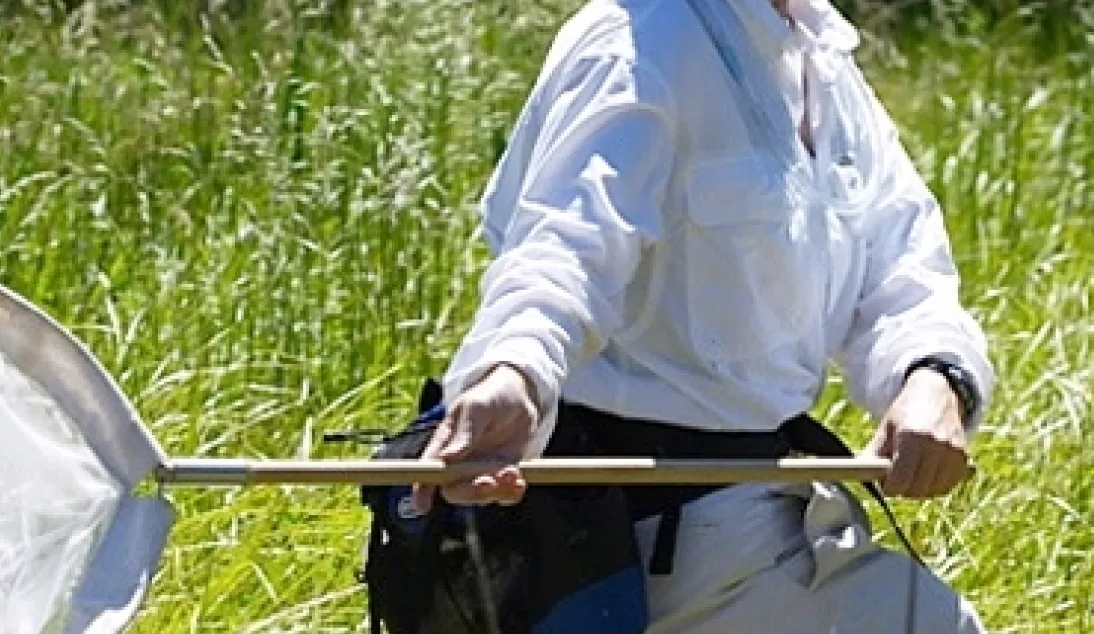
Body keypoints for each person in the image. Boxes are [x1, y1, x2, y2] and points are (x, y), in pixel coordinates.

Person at [411, 0, 995, 631]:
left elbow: (901, 262)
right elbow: (564, 246)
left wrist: (936, 375)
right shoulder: (637, 43)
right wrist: (514, 372)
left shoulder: (818, 51)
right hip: (632, 551)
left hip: (762, 518)